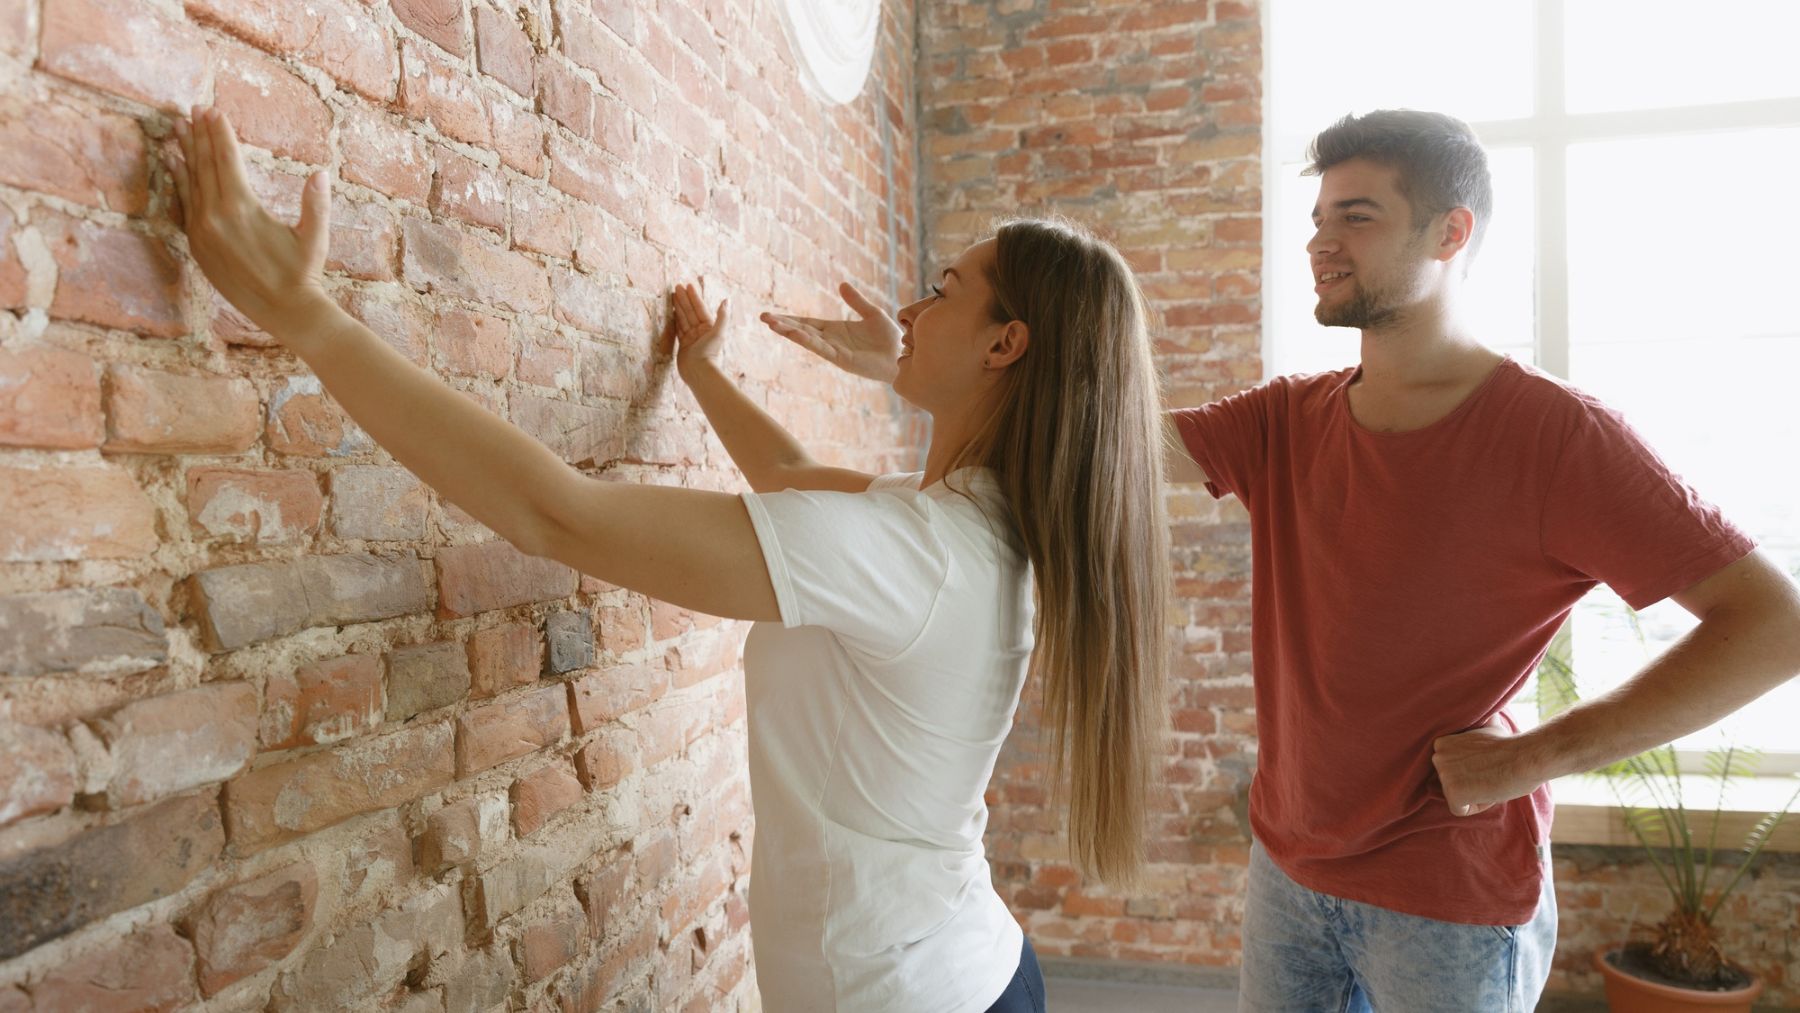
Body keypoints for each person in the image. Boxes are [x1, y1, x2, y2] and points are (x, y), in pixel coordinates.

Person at [765, 108, 1800, 1011]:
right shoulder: (1289, 419)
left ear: (1454, 232)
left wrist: (1537, 757)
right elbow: (1092, 442)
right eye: (1317, 218)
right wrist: (927, 368)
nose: (1322, 241)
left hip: (1447, 903)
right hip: (1290, 872)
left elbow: (1772, 624)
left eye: (1357, 216)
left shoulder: (1560, 437)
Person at [168, 107, 1171, 1012]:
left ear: (1005, 346)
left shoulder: (920, 549)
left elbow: (553, 513)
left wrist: (310, 316)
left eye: (941, 293)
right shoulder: (981, 527)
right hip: (982, 970)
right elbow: (789, 472)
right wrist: (700, 369)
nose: (908, 311)